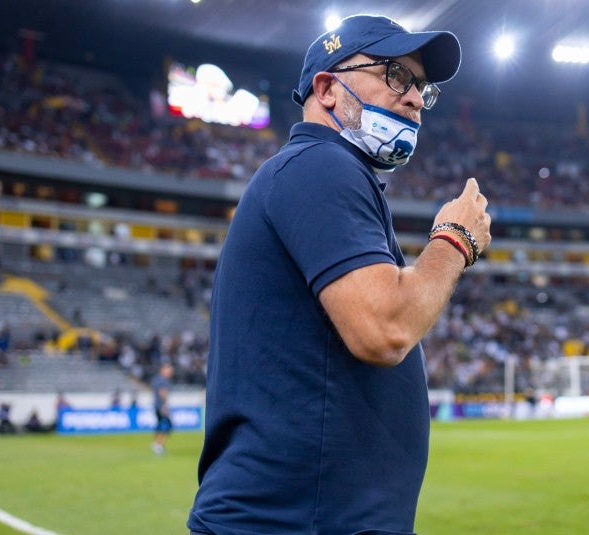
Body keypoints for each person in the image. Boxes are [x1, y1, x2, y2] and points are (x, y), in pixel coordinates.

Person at [188, 14, 491, 535]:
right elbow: (384, 328)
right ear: (327, 89)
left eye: (422, 88)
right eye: (397, 76)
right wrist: (454, 240)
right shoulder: (320, 166)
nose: (417, 99)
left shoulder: (325, 173)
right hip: (293, 521)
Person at [151, 362, 173, 455]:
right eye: (169, 370)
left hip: (156, 405)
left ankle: (157, 444)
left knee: (160, 425)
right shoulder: (163, 380)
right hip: (161, 406)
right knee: (166, 426)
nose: (171, 372)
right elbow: (162, 392)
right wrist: (165, 405)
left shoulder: (156, 379)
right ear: (163, 370)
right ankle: (158, 445)